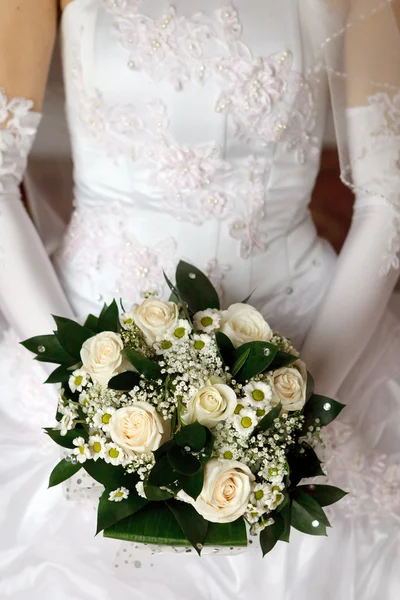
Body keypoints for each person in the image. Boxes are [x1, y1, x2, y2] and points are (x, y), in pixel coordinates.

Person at [0, 1, 399, 598]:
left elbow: (388, 193)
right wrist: (81, 394)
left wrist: (298, 411)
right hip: (85, 337)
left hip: (312, 341)